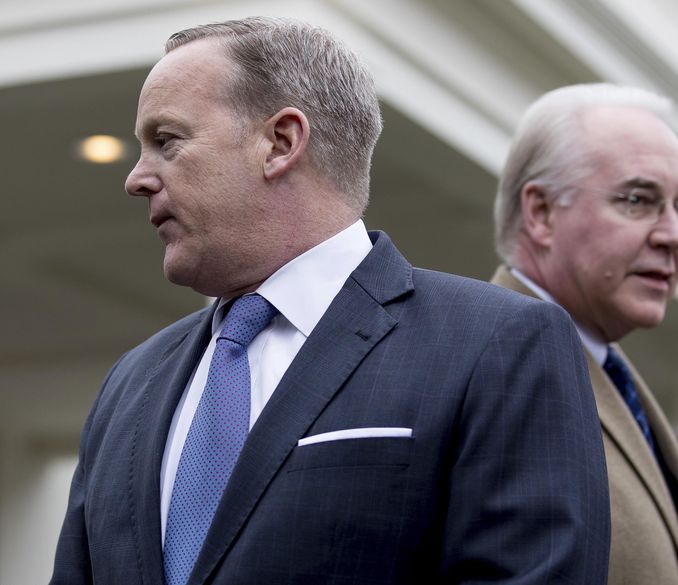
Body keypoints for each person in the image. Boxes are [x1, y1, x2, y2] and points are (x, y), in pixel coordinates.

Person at [50, 18, 611, 585]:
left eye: (166, 140)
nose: (136, 178)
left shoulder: (498, 343)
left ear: (281, 142)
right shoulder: (131, 382)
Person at [490, 83, 678, 585]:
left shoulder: (604, 367)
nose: (674, 236)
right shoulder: (488, 369)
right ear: (541, 213)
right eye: (638, 200)